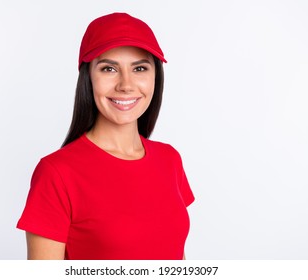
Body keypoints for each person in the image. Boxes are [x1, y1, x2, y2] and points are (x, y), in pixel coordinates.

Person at [17, 12, 195, 260]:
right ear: (88, 77)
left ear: (156, 76)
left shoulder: (170, 160)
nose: (126, 84)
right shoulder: (56, 173)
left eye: (140, 68)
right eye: (109, 68)